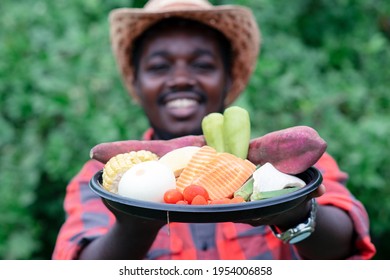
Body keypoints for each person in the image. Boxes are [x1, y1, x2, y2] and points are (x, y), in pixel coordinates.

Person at [52, 0, 376, 260]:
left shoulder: (285, 161)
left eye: (203, 64)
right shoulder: (100, 178)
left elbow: (345, 245)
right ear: (137, 84)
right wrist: (134, 223)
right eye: (159, 66)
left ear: (228, 79)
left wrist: (294, 211)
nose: (180, 78)